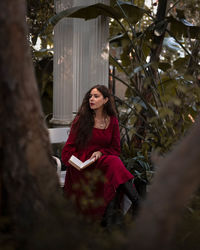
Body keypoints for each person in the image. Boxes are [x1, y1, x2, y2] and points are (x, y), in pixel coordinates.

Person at [61, 84, 139, 225]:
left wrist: (100, 152)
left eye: (96, 96)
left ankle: (111, 220)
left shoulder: (113, 121)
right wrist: (78, 164)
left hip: (102, 161)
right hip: (82, 166)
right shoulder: (81, 120)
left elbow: (115, 149)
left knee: (113, 162)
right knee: (113, 165)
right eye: (90, 96)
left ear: (105, 100)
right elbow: (66, 151)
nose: (92, 99)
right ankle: (136, 202)